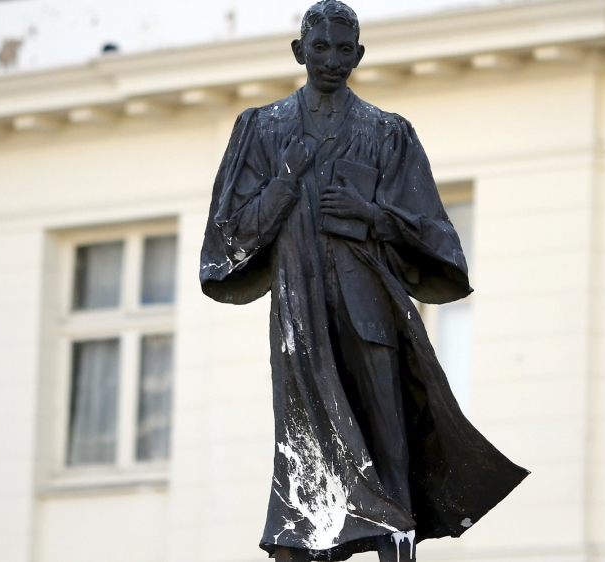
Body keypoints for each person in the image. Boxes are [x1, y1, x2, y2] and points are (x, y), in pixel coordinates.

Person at [199, 2, 528, 560]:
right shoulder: (261, 129)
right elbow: (226, 240)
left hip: (371, 314)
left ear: (360, 54)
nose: (331, 60)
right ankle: (310, 543)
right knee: (305, 449)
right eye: (320, 48)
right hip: (300, 320)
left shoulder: (388, 133)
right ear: (300, 52)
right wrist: (284, 183)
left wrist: (371, 214)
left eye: (343, 48)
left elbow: (440, 241)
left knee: (388, 445)